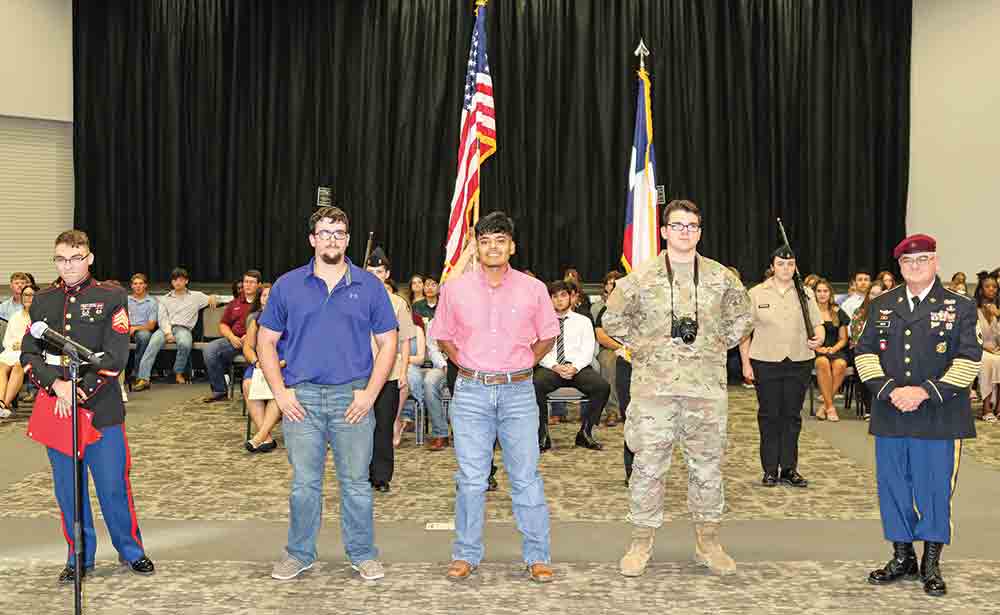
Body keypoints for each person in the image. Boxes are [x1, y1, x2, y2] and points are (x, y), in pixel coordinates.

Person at [602, 199, 753, 578]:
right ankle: (641, 543)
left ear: (699, 232)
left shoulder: (721, 277)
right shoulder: (640, 278)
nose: (686, 232)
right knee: (648, 468)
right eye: (678, 225)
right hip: (654, 390)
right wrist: (647, 344)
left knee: (707, 468)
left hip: (705, 391)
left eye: (693, 226)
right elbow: (612, 319)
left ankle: (709, 543)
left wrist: (718, 341)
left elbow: (744, 316)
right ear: (665, 231)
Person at [257, 206, 398, 582]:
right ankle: (299, 553)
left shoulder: (369, 286)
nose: (332, 239)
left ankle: (363, 553)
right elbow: (265, 341)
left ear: (348, 240)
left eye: (339, 233)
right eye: (325, 232)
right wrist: (281, 394)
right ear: (312, 239)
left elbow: (389, 343)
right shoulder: (287, 285)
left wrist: (369, 395)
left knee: (356, 485)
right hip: (301, 400)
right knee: (304, 486)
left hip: (352, 399)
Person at [431, 211, 559, 584]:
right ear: (477, 247)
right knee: (471, 479)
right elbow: (443, 335)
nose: (492, 247)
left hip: (519, 391)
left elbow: (548, 335)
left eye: (500, 240)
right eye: (485, 241)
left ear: (512, 247)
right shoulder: (455, 288)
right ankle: (465, 555)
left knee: (526, 478)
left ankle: (537, 556)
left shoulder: (533, 289)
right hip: (470, 392)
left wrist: (522, 364)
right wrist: (468, 365)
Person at [20, 230, 154, 583]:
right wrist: (56, 385)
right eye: (61, 259)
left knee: (113, 486)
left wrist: (79, 389)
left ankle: (131, 551)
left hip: (102, 408)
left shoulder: (111, 296)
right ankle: (79, 556)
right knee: (69, 490)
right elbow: (29, 354)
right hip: (59, 407)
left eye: (76, 258)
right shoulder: (44, 300)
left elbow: (115, 355)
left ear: (89, 258)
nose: (69, 266)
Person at [857, 234, 981, 597]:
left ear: (936, 263)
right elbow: (864, 354)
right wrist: (889, 390)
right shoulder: (881, 304)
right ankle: (902, 556)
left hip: (939, 413)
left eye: (923, 260)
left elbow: (969, 359)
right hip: (891, 411)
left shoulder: (960, 305)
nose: (916, 266)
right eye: (909, 262)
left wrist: (924, 391)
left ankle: (931, 562)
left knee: (933, 488)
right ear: (899, 267)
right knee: (893, 486)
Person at [739, 248, 823, 488]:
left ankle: (788, 468)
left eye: (790, 264)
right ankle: (769, 469)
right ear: (772, 266)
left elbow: (818, 325)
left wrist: (818, 338)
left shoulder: (805, 293)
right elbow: (745, 333)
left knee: (791, 417)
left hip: (799, 361)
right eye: (781, 264)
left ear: (795, 267)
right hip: (765, 361)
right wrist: (745, 363)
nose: (786, 269)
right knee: (769, 417)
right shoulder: (756, 293)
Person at [533, 280, 610, 452]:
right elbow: (537, 349)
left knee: (602, 387)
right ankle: (542, 435)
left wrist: (574, 367)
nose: (559, 300)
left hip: (578, 368)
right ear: (549, 299)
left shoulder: (583, 321)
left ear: (571, 297)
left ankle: (585, 432)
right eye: (554, 296)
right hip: (550, 368)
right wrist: (554, 366)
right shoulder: (540, 322)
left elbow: (588, 350)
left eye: (563, 295)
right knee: (534, 385)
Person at [364, 248, 416, 492]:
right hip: (360, 373)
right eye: (370, 271)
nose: (375, 275)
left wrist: (404, 371)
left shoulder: (397, 304)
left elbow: (405, 340)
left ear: (387, 274)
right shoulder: (353, 299)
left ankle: (381, 476)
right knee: (359, 425)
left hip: (389, 373)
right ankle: (360, 473)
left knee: (384, 425)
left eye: (379, 271)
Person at [140, 268, 217, 385]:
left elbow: (223, 299)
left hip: (183, 328)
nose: (177, 282)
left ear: (186, 281)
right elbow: (162, 318)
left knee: (185, 344)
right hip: (165, 328)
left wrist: (213, 297)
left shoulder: (196, 296)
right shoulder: (164, 299)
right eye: (175, 280)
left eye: (181, 280)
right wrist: (167, 333)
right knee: (152, 344)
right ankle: (143, 378)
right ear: (172, 282)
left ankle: (178, 372)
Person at [203, 270, 261, 403]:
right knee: (210, 350)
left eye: (252, 282)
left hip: (255, 343)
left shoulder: (264, 300)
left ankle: (255, 390)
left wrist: (250, 336)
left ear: (259, 285)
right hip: (235, 341)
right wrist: (231, 337)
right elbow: (223, 325)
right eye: (246, 282)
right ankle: (220, 391)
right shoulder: (235, 303)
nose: (248, 285)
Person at [242, 284, 282, 452]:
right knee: (248, 384)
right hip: (260, 365)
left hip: (283, 365)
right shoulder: (257, 320)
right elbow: (248, 347)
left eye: (271, 295)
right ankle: (267, 437)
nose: (268, 298)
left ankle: (260, 436)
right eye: (264, 295)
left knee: (279, 389)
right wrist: (257, 362)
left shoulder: (289, 318)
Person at [812, 279, 850, 421]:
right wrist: (819, 348)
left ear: (830, 293)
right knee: (822, 363)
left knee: (840, 364)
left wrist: (833, 349)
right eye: (819, 291)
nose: (822, 294)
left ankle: (825, 406)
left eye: (825, 291)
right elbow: (802, 335)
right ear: (814, 293)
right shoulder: (810, 311)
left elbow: (843, 339)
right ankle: (830, 407)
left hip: (835, 349)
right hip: (814, 350)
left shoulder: (837, 311)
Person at [848, 283, 885, 419]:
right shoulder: (860, 312)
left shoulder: (891, 312)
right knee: (865, 367)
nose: (876, 297)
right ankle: (869, 408)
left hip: (884, 352)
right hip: (862, 351)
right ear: (868, 295)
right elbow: (857, 337)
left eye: (879, 294)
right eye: (873, 294)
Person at [0, 283, 35, 416]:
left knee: (18, 366)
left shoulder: (39, 317)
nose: (28, 298)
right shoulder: (15, 317)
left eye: (31, 295)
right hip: (11, 352)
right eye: (25, 295)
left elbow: (42, 341)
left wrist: (23, 345)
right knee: (1, 368)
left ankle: (5, 404)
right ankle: (1, 402)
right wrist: (14, 345)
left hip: (30, 353)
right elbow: (6, 341)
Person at [974, 273, 1000, 421]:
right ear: (981, 289)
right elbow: (970, 336)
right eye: (987, 286)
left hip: (997, 350)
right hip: (980, 349)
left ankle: (998, 407)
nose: (991, 289)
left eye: (994, 287)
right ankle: (986, 408)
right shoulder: (973, 310)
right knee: (988, 361)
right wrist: (983, 348)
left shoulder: (998, 310)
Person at [127, 273, 159, 391]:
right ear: (131, 286)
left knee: (145, 336)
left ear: (145, 285)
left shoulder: (151, 302)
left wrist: (135, 328)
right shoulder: (126, 300)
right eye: (135, 284)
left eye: (141, 283)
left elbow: (151, 325)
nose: (138, 286)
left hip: (141, 330)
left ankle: (138, 373)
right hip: (124, 329)